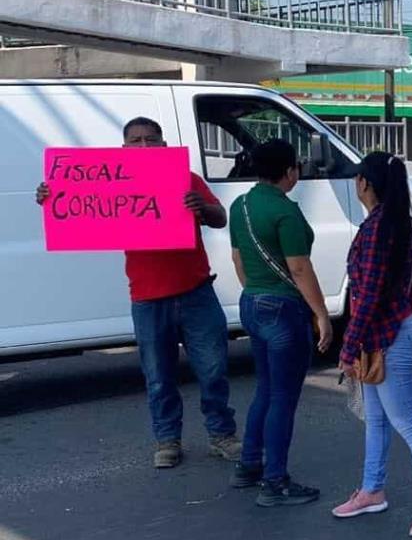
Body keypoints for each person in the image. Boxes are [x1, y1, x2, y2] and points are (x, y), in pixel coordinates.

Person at [36, 117, 241, 469]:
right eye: (136, 140)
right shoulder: (113, 183)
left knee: (213, 370)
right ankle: (167, 441)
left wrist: (201, 208)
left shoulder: (186, 179)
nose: (144, 145)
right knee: (158, 377)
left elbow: (220, 216)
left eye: (151, 139)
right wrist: (53, 195)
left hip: (196, 292)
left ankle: (221, 434)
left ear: (163, 144)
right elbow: (78, 210)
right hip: (148, 298)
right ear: (124, 148)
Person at [331, 152, 412, 537]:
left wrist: (348, 348)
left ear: (364, 183)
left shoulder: (379, 228)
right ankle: (371, 490)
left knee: (407, 422)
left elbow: (368, 296)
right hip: (392, 332)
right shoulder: (402, 224)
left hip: (387, 337)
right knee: (378, 420)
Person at [228, 139, 331, 507]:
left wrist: (258, 293)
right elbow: (299, 268)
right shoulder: (285, 212)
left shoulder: (239, 205)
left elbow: (238, 260)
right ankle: (275, 481)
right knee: (283, 398)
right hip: (283, 309)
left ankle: (248, 464)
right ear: (289, 171)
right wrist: (321, 314)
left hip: (251, 301)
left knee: (265, 390)